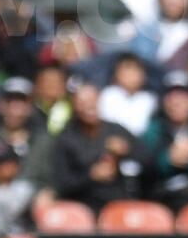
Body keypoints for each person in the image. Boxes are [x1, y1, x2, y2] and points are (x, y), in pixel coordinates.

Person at [53, 83, 148, 213]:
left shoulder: (116, 130)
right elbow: (61, 184)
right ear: (74, 105)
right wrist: (91, 176)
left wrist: (127, 150)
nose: (89, 106)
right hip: (81, 207)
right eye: (82, 102)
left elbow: (148, 159)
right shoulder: (66, 138)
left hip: (118, 204)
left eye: (92, 100)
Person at [142, 70, 188, 212]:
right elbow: (144, 168)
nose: (176, 102)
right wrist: (168, 160)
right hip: (162, 200)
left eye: (183, 96)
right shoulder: (153, 130)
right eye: (171, 96)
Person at [98, 52, 157, 137]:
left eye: (136, 69)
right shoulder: (108, 95)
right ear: (116, 74)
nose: (131, 75)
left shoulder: (150, 99)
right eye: (127, 69)